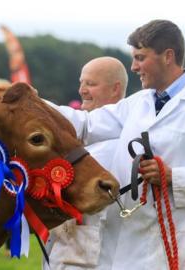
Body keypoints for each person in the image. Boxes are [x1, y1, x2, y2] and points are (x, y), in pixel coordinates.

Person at [48, 20, 185, 270]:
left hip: (175, 247)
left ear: (168, 56)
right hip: (122, 248)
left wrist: (173, 177)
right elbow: (87, 124)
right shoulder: (139, 103)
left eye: (140, 58)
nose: (134, 67)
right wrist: (33, 107)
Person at [46, 56, 128, 269]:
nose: (82, 90)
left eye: (91, 84)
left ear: (115, 89)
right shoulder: (77, 135)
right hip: (65, 250)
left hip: (94, 256)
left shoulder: (122, 143)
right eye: (81, 82)